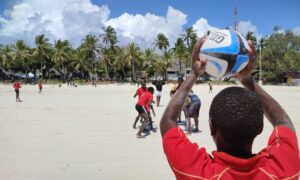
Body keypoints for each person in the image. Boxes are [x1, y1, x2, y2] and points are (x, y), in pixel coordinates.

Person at [160, 37, 300, 179]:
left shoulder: (198, 173)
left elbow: (168, 121)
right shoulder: (283, 171)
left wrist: (194, 74)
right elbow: (283, 122)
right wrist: (247, 81)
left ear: (211, 126)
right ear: (260, 128)